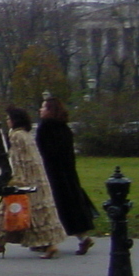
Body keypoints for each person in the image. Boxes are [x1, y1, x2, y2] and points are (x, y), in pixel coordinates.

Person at [0, 106, 66, 258]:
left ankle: (0, 245)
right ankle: (3, 245)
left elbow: (17, 160)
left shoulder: (16, 136)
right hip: (37, 180)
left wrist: (13, 179)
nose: (7, 121)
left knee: (6, 212)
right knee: (34, 213)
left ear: (15, 120)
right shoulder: (26, 135)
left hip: (23, 181)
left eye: (9, 119)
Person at [37, 95, 98, 255]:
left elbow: (43, 152)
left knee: (50, 207)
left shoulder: (45, 128)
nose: (40, 110)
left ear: (50, 110)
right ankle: (83, 237)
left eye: (43, 107)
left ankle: (48, 242)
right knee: (70, 207)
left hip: (51, 173)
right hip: (67, 173)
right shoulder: (64, 128)